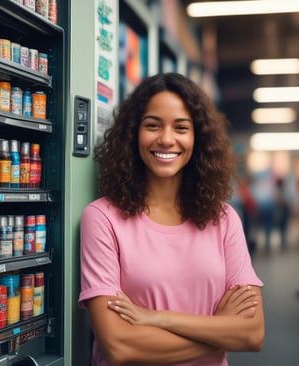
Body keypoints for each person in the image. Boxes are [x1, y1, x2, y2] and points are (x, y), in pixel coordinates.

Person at [78, 73, 265, 365]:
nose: (166, 139)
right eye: (152, 125)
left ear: (197, 138)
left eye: (181, 128)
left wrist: (158, 318)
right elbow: (119, 346)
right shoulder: (102, 219)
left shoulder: (225, 219)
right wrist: (218, 335)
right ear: (133, 134)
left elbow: (252, 334)